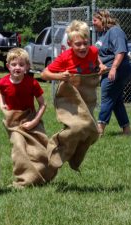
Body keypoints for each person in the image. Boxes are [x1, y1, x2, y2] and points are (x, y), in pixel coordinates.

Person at [41, 20, 100, 171]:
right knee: (80, 126)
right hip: (70, 99)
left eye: (85, 43)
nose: (82, 47)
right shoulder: (65, 57)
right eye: (78, 44)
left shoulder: (93, 51)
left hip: (87, 99)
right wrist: (60, 76)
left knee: (92, 132)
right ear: (69, 43)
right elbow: (45, 74)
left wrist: (101, 66)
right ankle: (56, 144)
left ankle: (73, 155)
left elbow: (95, 60)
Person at [0, 48, 56, 187]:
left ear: (27, 67)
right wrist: (2, 105)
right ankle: (24, 180)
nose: (17, 67)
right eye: (13, 64)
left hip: (30, 118)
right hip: (13, 121)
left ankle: (43, 174)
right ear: (8, 66)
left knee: (39, 150)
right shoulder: (3, 82)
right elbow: (1, 93)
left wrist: (34, 121)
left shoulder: (32, 83)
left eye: (21, 64)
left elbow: (43, 104)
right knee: (19, 146)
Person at [92, 9, 131, 136]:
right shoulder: (102, 34)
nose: (93, 23)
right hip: (107, 70)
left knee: (107, 97)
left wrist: (113, 68)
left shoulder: (115, 31)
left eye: (95, 20)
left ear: (103, 19)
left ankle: (100, 129)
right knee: (116, 101)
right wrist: (101, 64)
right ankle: (127, 130)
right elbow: (97, 51)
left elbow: (120, 51)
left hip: (118, 70)